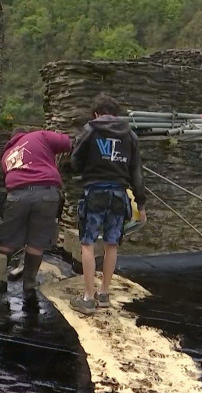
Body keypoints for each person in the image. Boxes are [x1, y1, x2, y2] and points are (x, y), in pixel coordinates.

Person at [69, 94, 147, 314]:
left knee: (88, 243)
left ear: (96, 113)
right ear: (116, 112)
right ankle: (103, 294)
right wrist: (140, 206)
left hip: (95, 192)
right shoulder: (130, 135)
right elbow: (137, 173)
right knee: (112, 243)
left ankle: (87, 298)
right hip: (119, 195)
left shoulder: (90, 130)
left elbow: (75, 162)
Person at [0, 127, 72, 302]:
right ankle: (29, 285)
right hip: (46, 193)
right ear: (26, 133)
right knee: (36, 242)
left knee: (6, 241)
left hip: (16, 195)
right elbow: (69, 143)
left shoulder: (6, 154)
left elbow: (7, 178)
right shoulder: (40, 135)